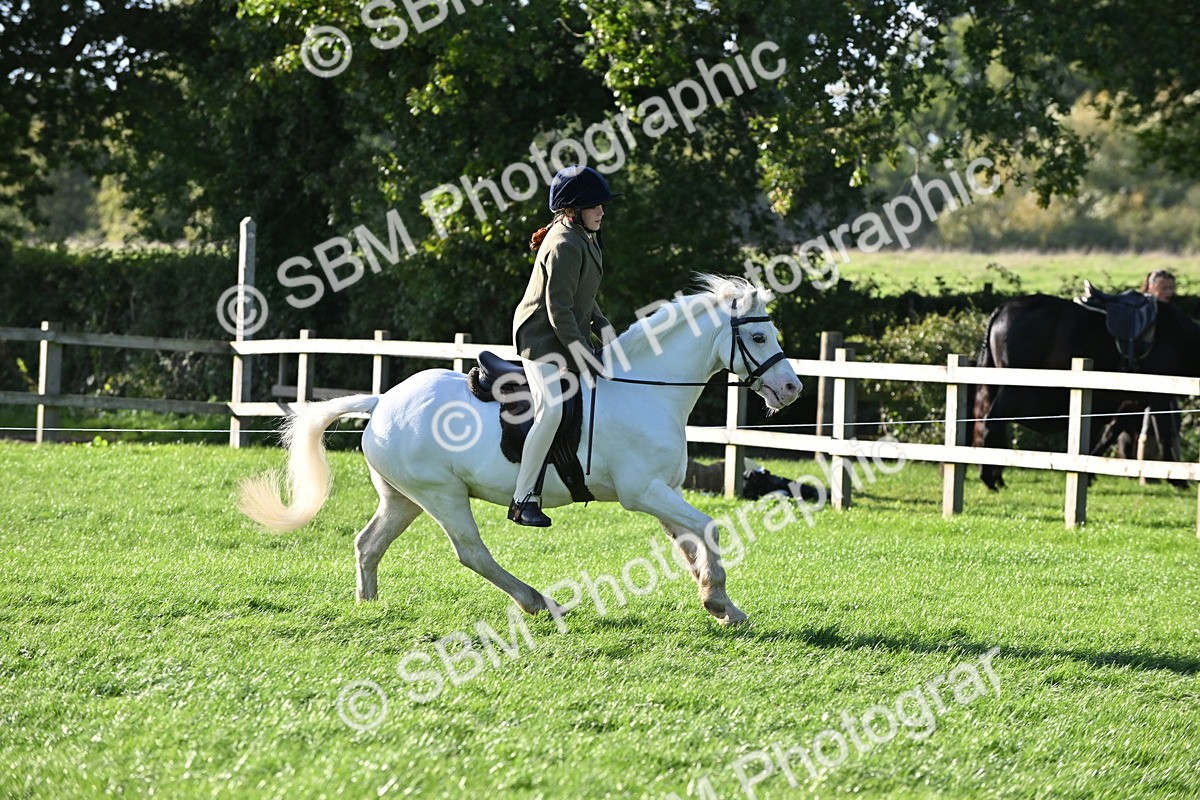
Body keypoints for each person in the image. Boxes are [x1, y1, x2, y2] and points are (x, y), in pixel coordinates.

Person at [508, 165, 620, 527]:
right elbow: (558, 310)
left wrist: (602, 324)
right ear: (572, 210)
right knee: (551, 410)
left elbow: (581, 296)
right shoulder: (564, 243)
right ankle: (523, 498)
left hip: (562, 329)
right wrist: (584, 354)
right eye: (595, 206)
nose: (602, 211)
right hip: (540, 337)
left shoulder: (583, 236)